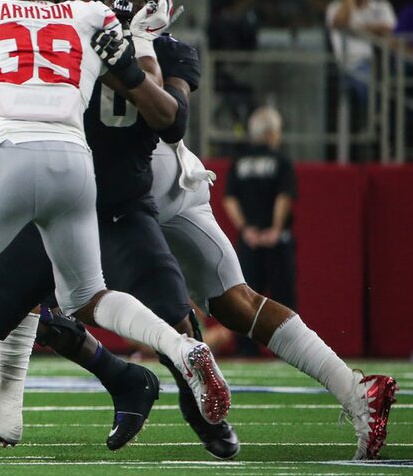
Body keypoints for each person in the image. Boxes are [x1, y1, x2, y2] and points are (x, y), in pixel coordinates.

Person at [0, 0, 230, 462]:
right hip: (77, 166)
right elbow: (140, 77)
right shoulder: (91, 15)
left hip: (10, 154)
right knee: (88, 297)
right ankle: (182, 346)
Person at [152, 116, 397, 461]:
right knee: (237, 303)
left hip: (123, 173)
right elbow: (174, 109)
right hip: (175, 172)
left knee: (88, 292)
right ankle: (356, 391)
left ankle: (144, 375)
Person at [223, 106, 297, 321]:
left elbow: (230, 199)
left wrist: (245, 229)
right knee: (283, 299)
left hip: (250, 239)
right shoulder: (281, 161)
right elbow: (283, 197)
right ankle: (290, 346)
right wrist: (275, 229)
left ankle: (246, 349)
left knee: (245, 299)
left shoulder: (239, 161)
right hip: (277, 240)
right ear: (271, 133)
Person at [325, 0, 396, 123]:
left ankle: (380, 124)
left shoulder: (381, 5)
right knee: (362, 81)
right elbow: (340, 22)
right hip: (346, 66)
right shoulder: (335, 7)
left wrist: (359, 28)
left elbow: (390, 30)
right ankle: (376, 125)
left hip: (379, 63)